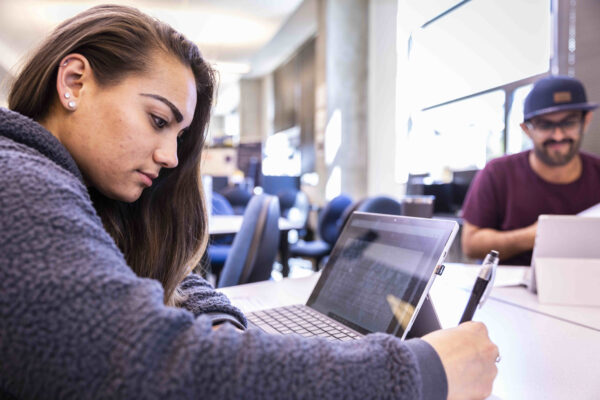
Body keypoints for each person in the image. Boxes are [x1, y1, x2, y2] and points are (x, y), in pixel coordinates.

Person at [0, 5, 498, 399]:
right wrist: (419, 373)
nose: (171, 156)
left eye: (179, 134)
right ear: (74, 82)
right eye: (157, 119)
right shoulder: (16, 180)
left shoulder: (77, 188)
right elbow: (141, 368)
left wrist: (215, 320)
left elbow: (177, 277)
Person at [461, 75, 600, 265]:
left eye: (569, 122)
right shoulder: (498, 173)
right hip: (508, 288)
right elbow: (471, 244)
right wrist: (534, 236)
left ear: (586, 121)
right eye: (545, 125)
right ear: (527, 129)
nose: (558, 135)